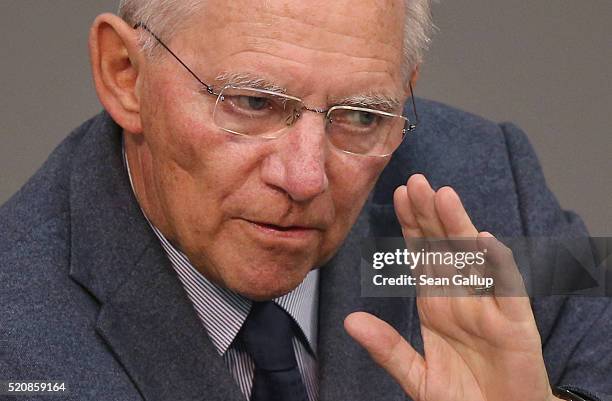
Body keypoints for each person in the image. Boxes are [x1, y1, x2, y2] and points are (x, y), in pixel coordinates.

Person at [0, 1, 610, 400]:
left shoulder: (477, 186)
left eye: (361, 114)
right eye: (253, 102)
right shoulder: (17, 331)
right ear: (125, 75)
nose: (305, 177)